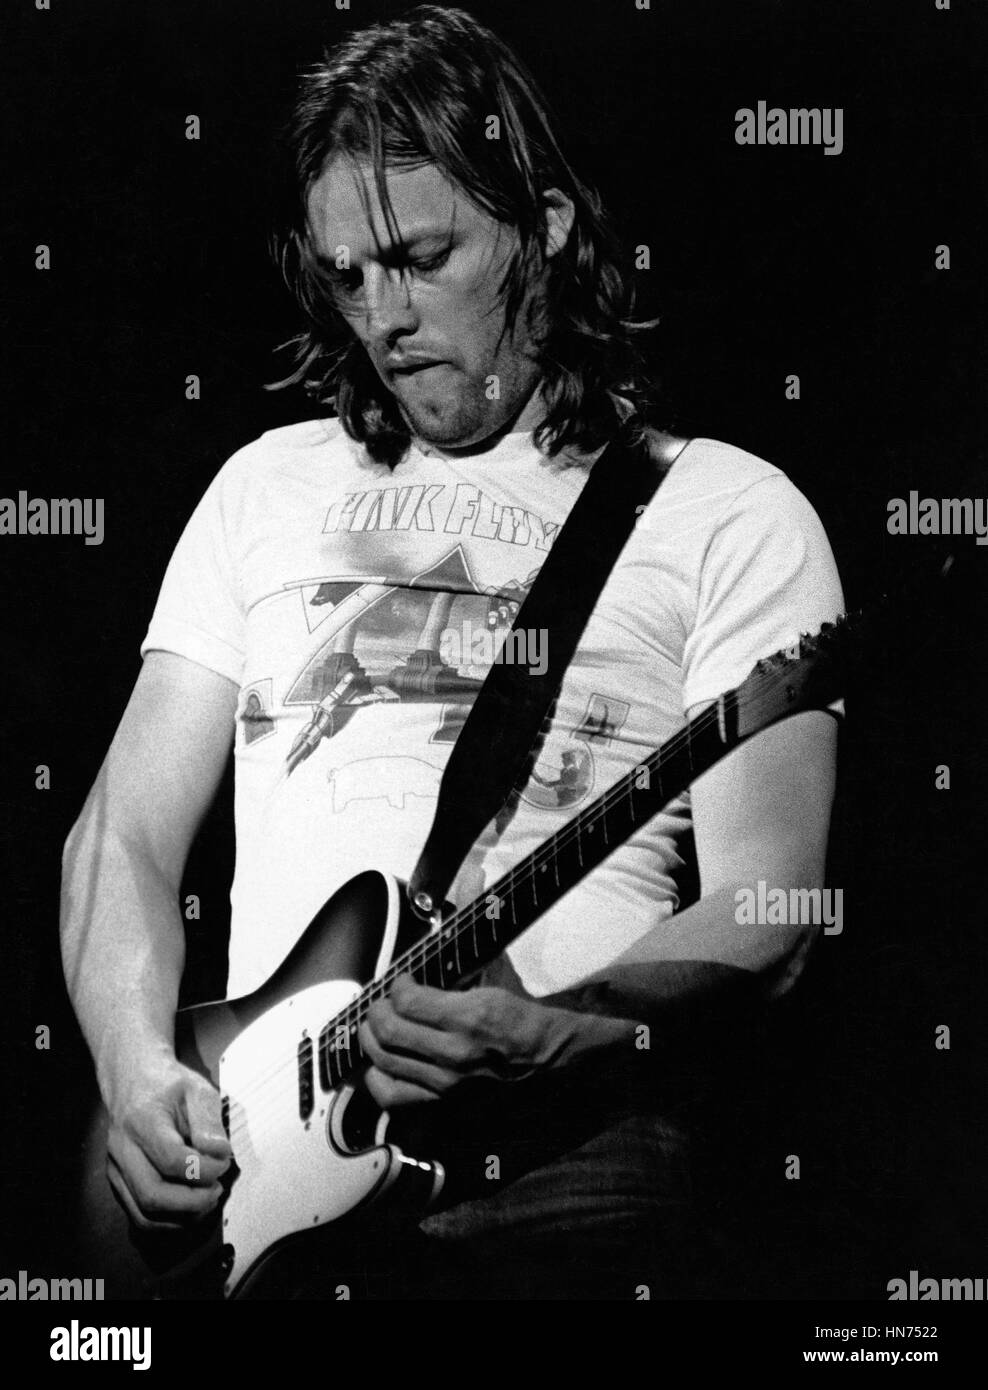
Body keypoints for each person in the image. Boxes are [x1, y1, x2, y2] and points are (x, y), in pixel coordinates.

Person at [60, 5, 843, 1300]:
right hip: (267, 1174)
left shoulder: (725, 513)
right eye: (348, 273)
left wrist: (559, 1032)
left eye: (423, 256)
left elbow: (779, 907)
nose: (384, 315)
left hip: (567, 1159)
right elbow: (119, 840)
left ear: (545, 228)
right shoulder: (264, 488)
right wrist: (138, 1068)